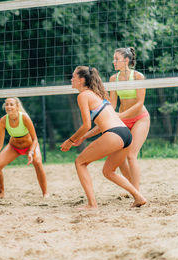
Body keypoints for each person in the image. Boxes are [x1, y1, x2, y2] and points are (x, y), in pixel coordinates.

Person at [60, 66, 146, 210]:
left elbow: (86, 125)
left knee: (80, 162)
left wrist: (70, 141)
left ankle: (92, 204)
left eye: (73, 76)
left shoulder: (83, 96)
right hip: (125, 134)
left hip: (114, 134)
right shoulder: (98, 95)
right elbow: (100, 125)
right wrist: (83, 138)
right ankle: (139, 197)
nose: (71, 79)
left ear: (81, 80)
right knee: (108, 172)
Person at [0, 97, 48, 199]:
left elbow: (35, 139)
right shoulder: (3, 120)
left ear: (17, 107)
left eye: (11, 104)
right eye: (7, 104)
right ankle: (1, 193)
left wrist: (31, 152)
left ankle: (45, 193)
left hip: (29, 146)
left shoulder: (24, 117)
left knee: (38, 163)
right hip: (14, 147)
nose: (9, 106)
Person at [110, 47, 150, 190]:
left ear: (126, 60)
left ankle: (137, 193)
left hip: (140, 118)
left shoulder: (138, 77)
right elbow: (113, 104)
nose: (113, 62)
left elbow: (140, 103)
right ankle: (132, 187)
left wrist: (121, 116)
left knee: (131, 155)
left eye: (116, 59)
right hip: (122, 119)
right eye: (113, 59)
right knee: (119, 158)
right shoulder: (113, 79)